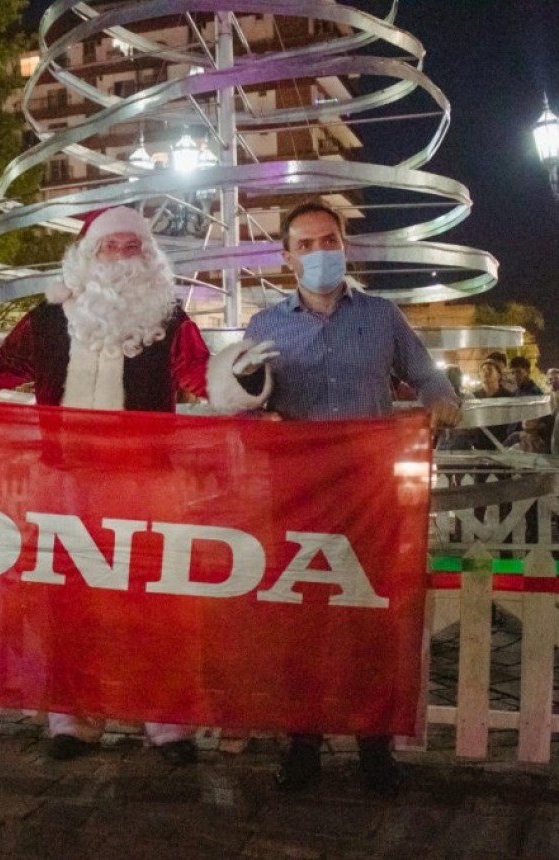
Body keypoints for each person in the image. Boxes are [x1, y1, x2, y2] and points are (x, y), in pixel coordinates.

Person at [0, 205, 275, 764]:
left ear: (148, 255)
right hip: (65, 485)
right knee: (68, 602)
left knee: (156, 602)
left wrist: (238, 376)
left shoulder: (170, 320)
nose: (120, 256)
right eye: (109, 246)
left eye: (131, 246)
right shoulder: (47, 320)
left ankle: (168, 722)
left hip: (146, 484)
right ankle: (72, 717)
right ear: (87, 255)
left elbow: (199, 376)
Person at [242, 200, 461, 795]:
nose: (320, 252)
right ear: (287, 257)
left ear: (345, 246)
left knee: (373, 619)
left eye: (329, 241)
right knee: (301, 622)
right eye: (306, 244)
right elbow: (243, 401)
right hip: (298, 498)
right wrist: (256, 418)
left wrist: (441, 398)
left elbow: (426, 374)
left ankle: (374, 745)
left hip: (372, 495)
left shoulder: (384, 317)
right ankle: (302, 743)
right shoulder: (264, 327)